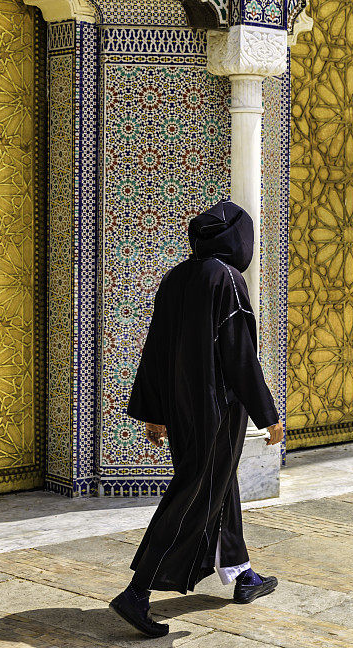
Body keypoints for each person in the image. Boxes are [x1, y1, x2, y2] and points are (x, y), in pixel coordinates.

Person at [109, 200, 284, 638]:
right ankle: (137, 591)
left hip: (183, 410)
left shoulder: (176, 277)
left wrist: (154, 413)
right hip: (216, 410)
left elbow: (155, 350)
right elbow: (240, 357)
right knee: (190, 494)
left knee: (221, 485)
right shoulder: (226, 278)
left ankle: (243, 575)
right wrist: (268, 416)